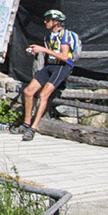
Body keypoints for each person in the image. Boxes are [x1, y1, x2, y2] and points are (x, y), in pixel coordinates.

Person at [19, 9, 80, 140]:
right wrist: (35, 50)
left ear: (56, 22)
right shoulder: (48, 37)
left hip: (62, 67)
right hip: (50, 65)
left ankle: (33, 128)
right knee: (28, 91)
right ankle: (26, 123)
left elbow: (64, 56)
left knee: (43, 94)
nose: (45, 22)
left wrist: (43, 49)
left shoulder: (65, 35)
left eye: (48, 20)